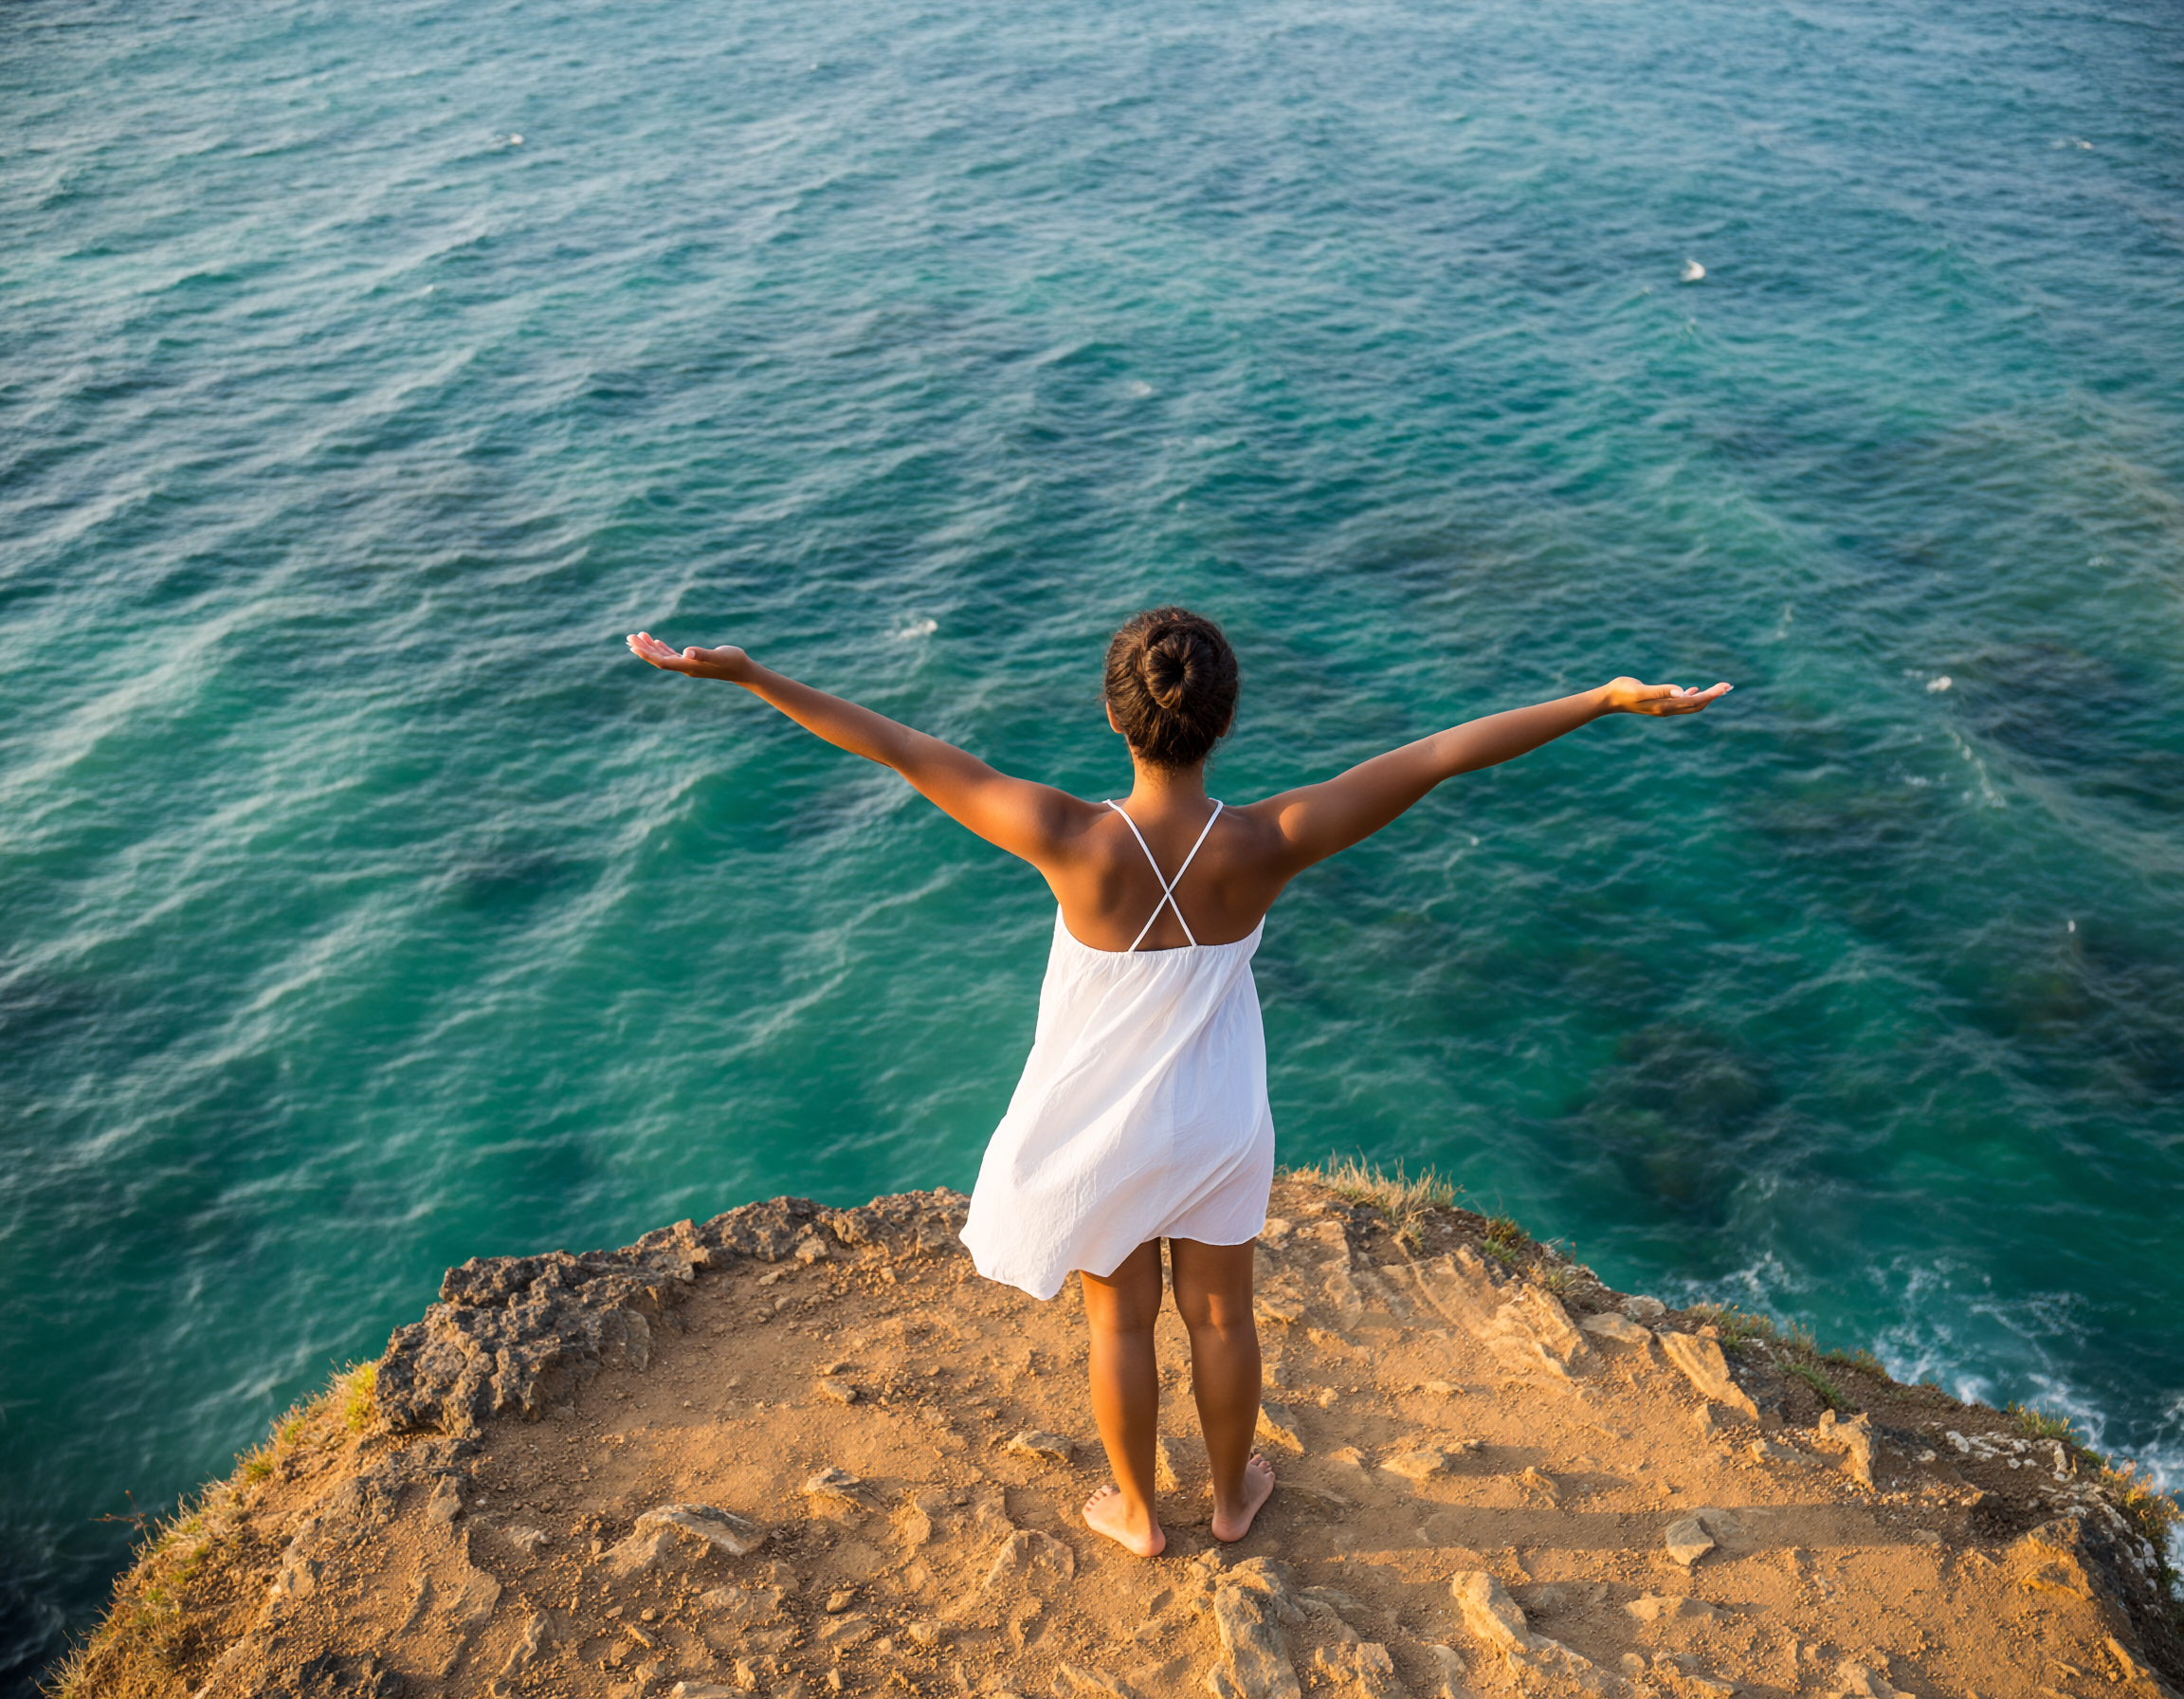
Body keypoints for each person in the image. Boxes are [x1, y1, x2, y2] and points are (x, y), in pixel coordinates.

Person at [628, 608, 1729, 1559]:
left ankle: (1141, 1514)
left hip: (1102, 1130)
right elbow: (1439, 754)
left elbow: (904, 750)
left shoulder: (1067, 837)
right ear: (1226, 720)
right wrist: (1603, 696)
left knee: (1121, 1327)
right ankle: (1235, 1495)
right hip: (1215, 1121)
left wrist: (754, 675)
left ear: (1118, 716)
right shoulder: (1268, 840)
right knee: (1221, 1317)